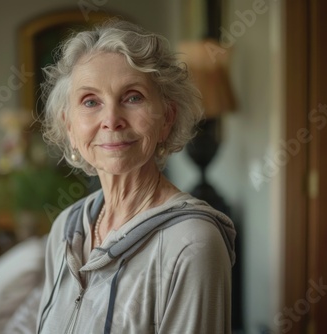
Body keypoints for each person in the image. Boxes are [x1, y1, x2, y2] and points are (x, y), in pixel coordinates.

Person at [36, 19, 236, 334]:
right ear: (70, 126)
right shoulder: (65, 228)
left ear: (167, 118)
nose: (111, 120)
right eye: (91, 101)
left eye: (133, 97)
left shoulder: (192, 243)